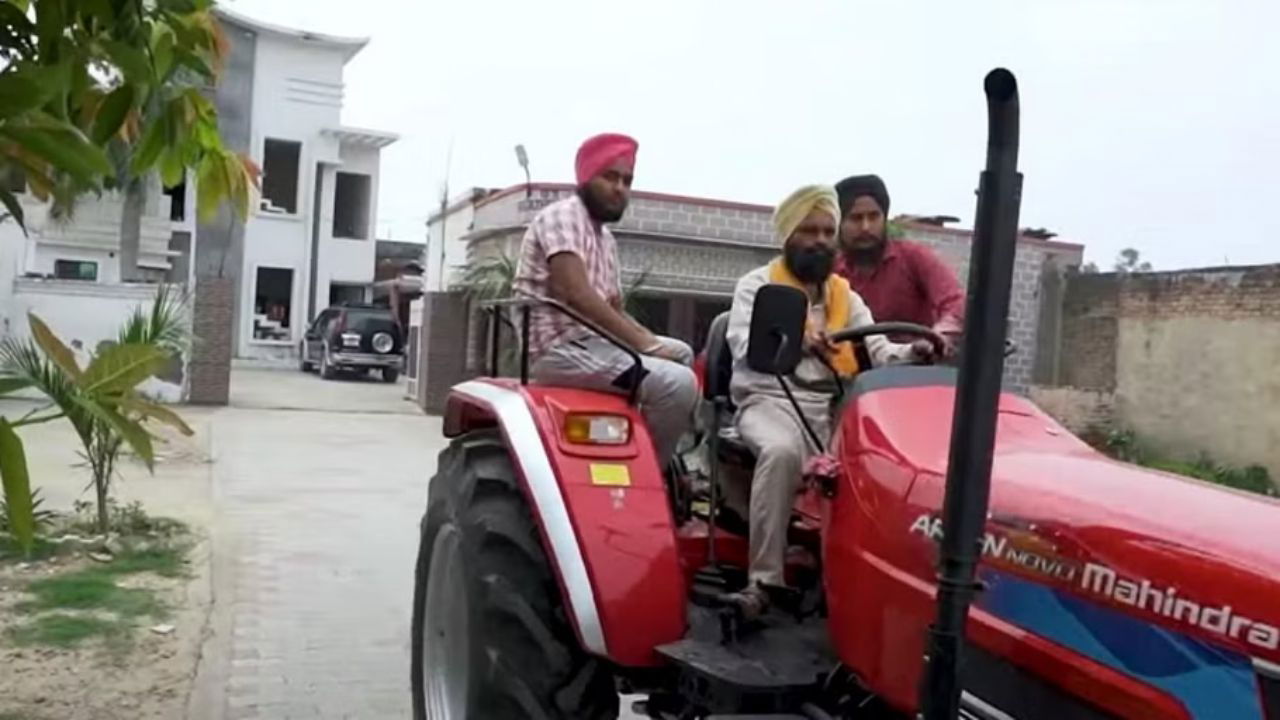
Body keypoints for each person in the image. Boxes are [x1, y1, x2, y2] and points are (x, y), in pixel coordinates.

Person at [725, 184, 925, 617]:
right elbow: (743, 343)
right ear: (788, 235)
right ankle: (763, 581)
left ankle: (858, 586)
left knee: (885, 471)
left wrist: (915, 351)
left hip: (830, 412)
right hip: (769, 401)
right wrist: (798, 339)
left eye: (827, 231)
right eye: (809, 229)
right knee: (780, 452)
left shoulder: (844, 296)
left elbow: (880, 350)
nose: (819, 240)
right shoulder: (756, 288)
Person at [514, 133, 697, 466]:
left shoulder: (605, 238)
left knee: (683, 353)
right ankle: (651, 477)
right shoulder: (563, 216)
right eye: (610, 177)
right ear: (586, 177)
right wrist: (647, 346)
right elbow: (577, 294)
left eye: (627, 181)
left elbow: (613, 308)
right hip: (559, 352)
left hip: (594, 346)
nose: (620, 188)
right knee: (677, 384)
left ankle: (665, 457)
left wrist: (650, 342)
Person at [833, 174, 965, 355]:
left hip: (915, 369)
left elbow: (955, 301)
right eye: (856, 218)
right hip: (852, 375)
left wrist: (940, 335)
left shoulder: (914, 257)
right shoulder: (831, 273)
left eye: (873, 217)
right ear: (839, 223)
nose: (866, 227)